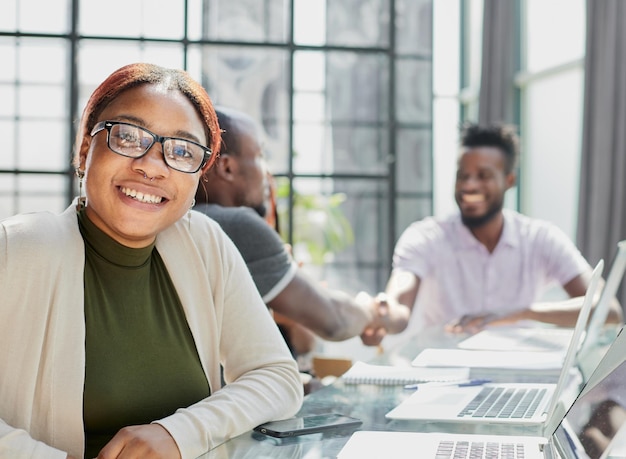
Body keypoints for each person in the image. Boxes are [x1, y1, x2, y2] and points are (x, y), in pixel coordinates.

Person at [0, 63, 303, 459]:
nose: (151, 165)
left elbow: (277, 375)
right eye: (127, 137)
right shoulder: (16, 249)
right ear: (86, 150)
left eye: (182, 150)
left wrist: (179, 434)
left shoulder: (205, 244)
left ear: (198, 178)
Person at [382, 122, 622, 342]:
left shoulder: (540, 238)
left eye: (483, 176)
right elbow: (399, 302)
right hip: (442, 376)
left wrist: (523, 312)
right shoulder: (425, 237)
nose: (469, 186)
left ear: (509, 180)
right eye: (462, 176)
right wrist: (381, 314)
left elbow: (608, 311)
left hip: (519, 374)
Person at [194, 107, 409, 352]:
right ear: (227, 167)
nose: (267, 172)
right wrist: (374, 311)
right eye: (260, 155)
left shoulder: (190, 221)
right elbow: (334, 322)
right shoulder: (234, 226)